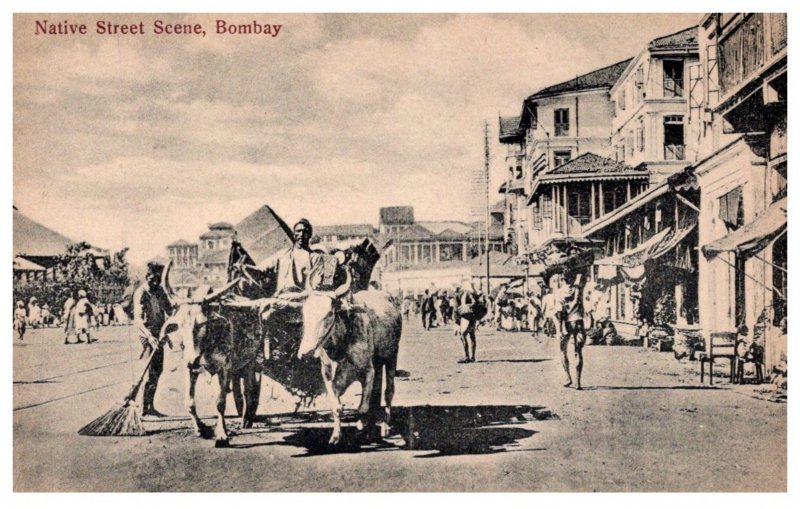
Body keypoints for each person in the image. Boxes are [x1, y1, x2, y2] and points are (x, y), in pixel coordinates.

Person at [133, 261, 174, 417]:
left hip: (159, 333)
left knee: (158, 369)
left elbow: (170, 311)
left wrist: (167, 330)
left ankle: (149, 405)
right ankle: (144, 406)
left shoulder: (160, 291)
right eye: (153, 278)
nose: (155, 282)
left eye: (158, 279)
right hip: (146, 334)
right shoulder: (141, 292)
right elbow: (138, 320)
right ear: (147, 276)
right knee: (150, 370)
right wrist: (150, 337)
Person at [561, 273, 587, 390]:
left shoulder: (560, 292)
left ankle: (567, 377)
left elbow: (559, 311)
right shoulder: (579, 290)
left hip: (566, 322)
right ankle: (578, 382)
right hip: (579, 321)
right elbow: (581, 277)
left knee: (563, 350)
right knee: (578, 352)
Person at [458, 282, 479, 363]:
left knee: (463, 335)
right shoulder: (472, 294)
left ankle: (467, 357)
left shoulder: (467, 294)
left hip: (467, 317)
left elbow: (473, 303)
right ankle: (472, 357)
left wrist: (466, 307)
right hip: (471, 316)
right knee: (472, 336)